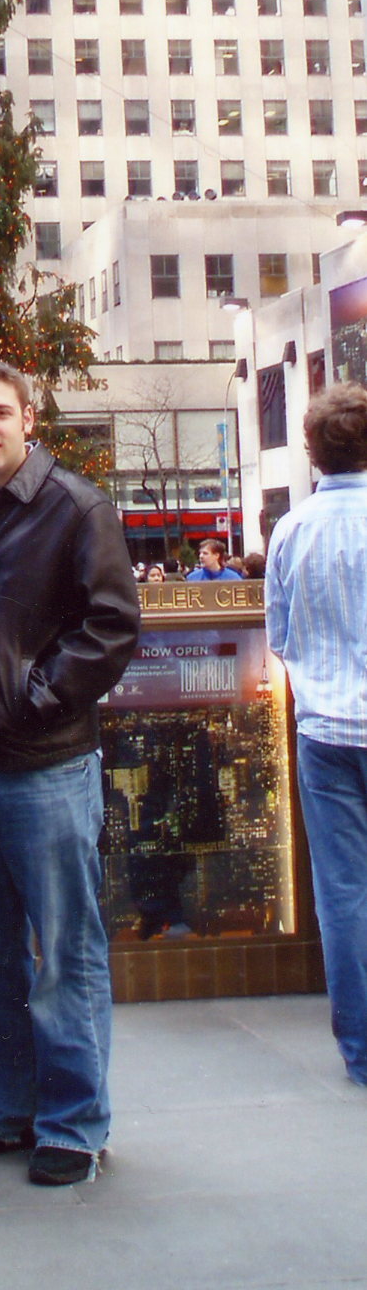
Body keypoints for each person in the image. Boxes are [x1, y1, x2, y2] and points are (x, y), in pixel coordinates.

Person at [0, 357, 140, 1186]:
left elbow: (112, 627)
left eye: (0, 413)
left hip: (44, 765)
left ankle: (74, 1121)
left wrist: (38, 699)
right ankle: (2, 1105)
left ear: (28, 420)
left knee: (65, 945)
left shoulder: (76, 507)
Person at [265, 382, 367, 1087]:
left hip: (325, 727)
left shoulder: (292, 529)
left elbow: (281, 637)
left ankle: (362, 1049)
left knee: (342, 893)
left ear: (312, 450)